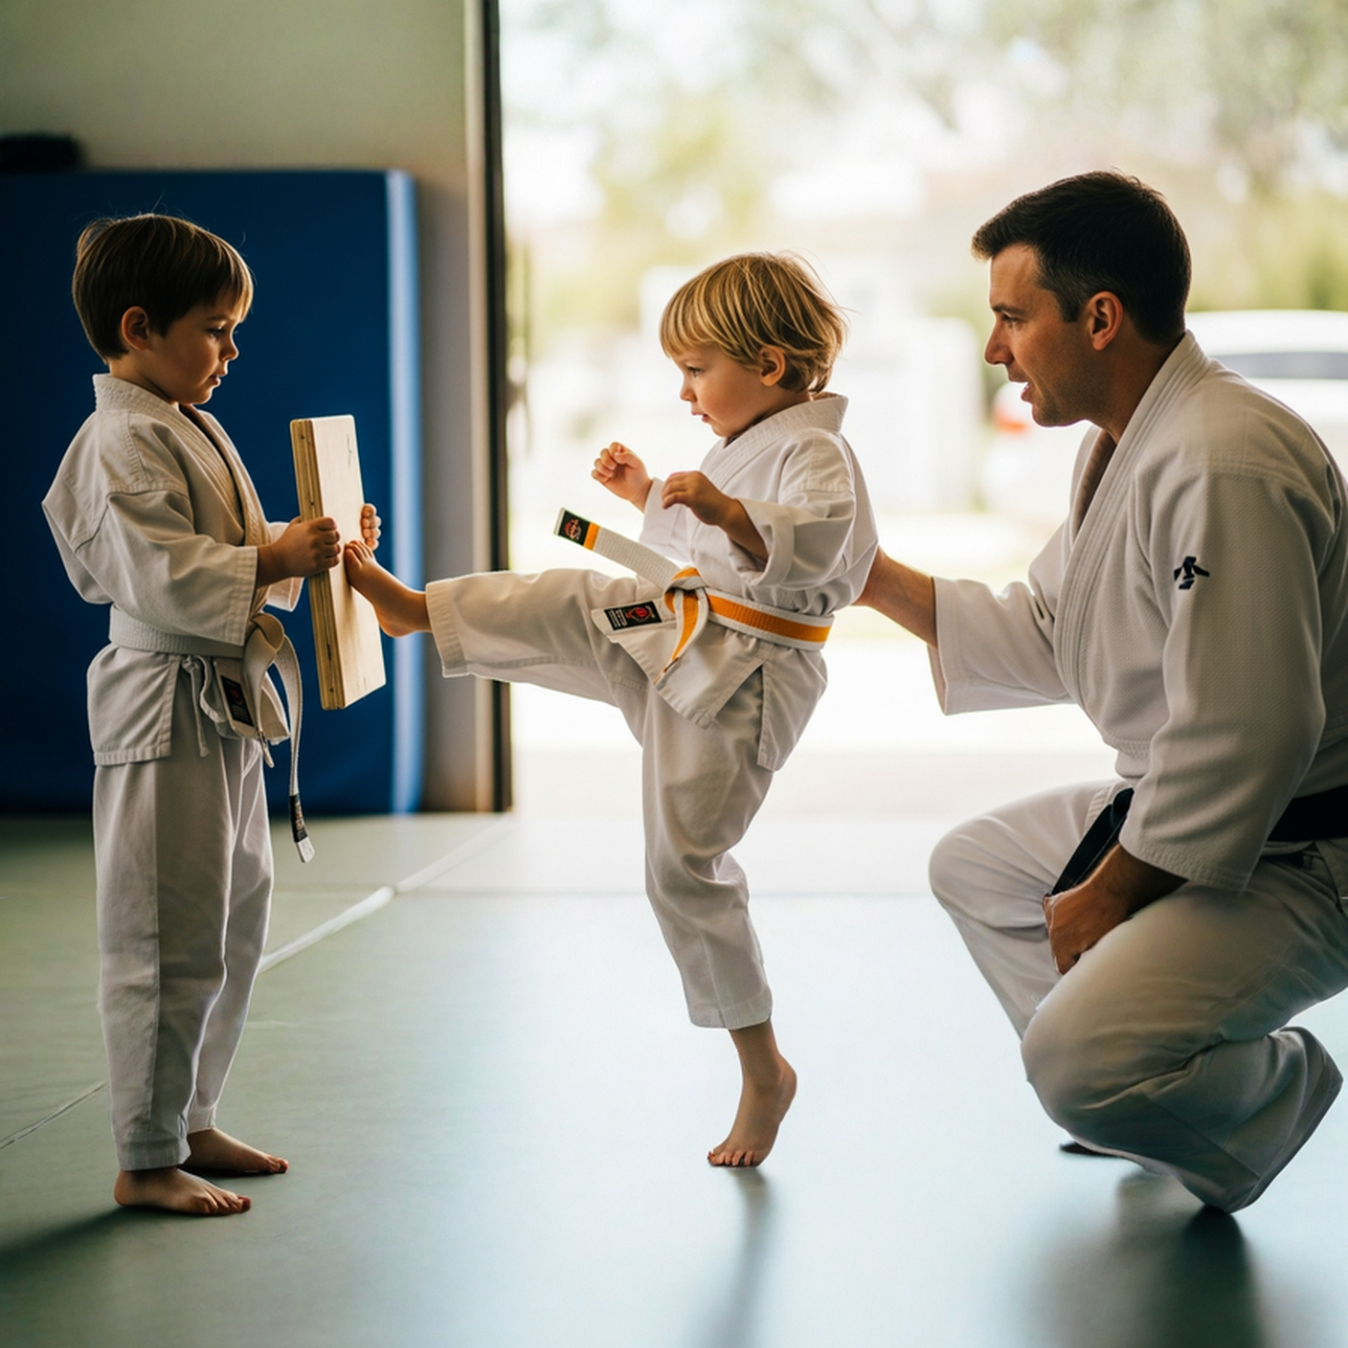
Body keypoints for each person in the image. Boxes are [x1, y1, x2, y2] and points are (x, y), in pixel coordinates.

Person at [858, 170, 1348, 1211]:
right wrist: (862, 574)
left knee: (1074, 1065)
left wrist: (1115, 885)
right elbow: (1052, 630)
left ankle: (1261, 1092)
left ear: (1099, 318)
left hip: (1310, 850)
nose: (994, 349)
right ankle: (1144, 1090)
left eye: (1008, 317)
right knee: (980, 867)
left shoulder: (1223, 459)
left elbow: (1250, 729)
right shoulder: (1130, 442)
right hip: (1212, 820)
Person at [344, 252, 878, 1166]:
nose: (685, 393)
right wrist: (645, 498)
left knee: (682, 867)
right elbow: (697, 539)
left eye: (697, 370)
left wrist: (733, 513)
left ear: (774, 367)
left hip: (743, 681)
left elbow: (821, 551)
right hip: (678, 626)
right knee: (567, 597)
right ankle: (415, 612)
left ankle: (764, 1071)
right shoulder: (743, 443)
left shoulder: (818, 452)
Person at [43, 214, 377, 1216]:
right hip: (162, 702)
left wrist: (304, 539)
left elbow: (218, 544)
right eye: (216, 329)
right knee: (161, 932)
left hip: (220, 701)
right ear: (140, 327)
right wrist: (273, 560)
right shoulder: (118, 439)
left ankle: (188, 1117)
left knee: (233, 918)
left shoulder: (180, 418)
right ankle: (144, 1154)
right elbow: (157, 574)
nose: (232, 351)